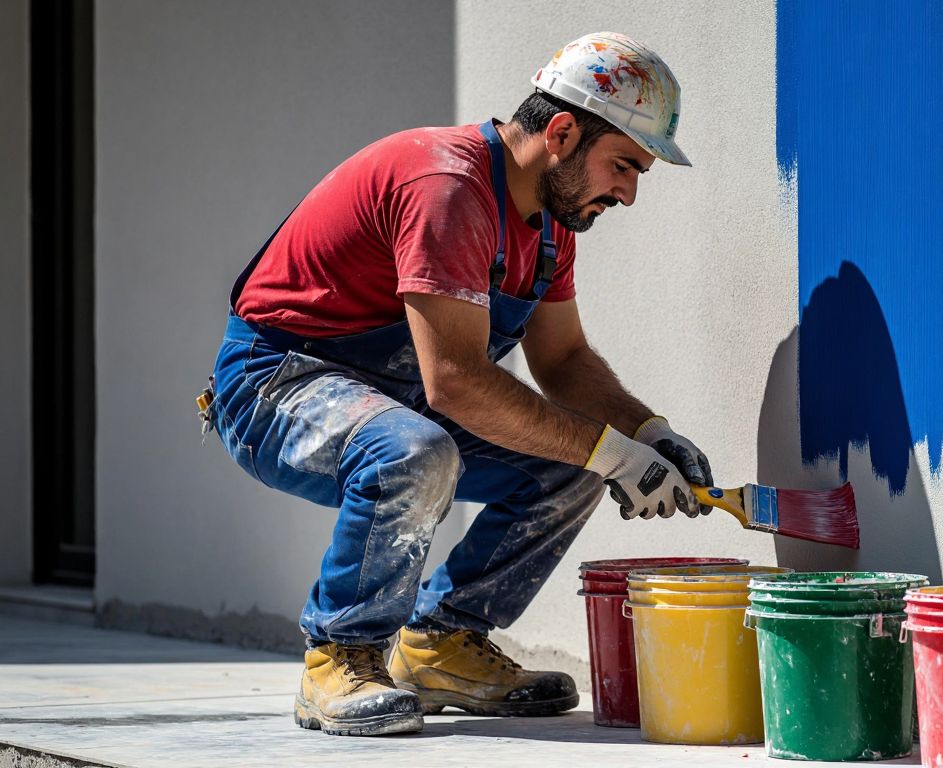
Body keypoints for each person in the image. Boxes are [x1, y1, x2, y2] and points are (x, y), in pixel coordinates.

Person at [200, 32, 713, 737]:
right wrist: (614, 450)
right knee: (414, 451)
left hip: (400, 404)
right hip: (273, 385)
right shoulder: (446, 184)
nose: (626, 193)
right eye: (623, 165)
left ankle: (441, 644)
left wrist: (647, 433)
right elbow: (454, 384)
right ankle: (339, 656)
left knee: (572, 466)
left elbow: (563, 363)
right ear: (562, 132)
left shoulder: (549, 227)